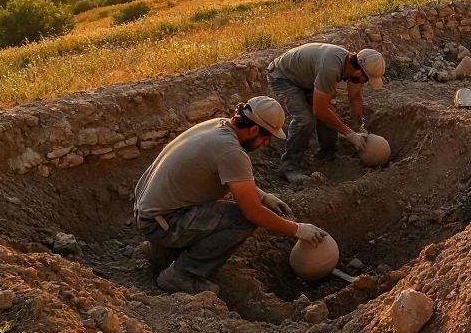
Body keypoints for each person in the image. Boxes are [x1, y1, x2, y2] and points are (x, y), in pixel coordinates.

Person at [133, 96, 329, 295]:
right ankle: (183, 275)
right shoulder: (231, 151)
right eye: (265, 137)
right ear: (253, 130)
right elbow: (253, 213)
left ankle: (162, 254)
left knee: (231, 211)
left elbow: (229, 177)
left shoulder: (219, 125)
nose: (265, 142)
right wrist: (298, 230)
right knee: (243, 219)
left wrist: (263, 196)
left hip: (152, 212)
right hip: (162, 223)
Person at [266, 43, 386, 179]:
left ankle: (328, 154)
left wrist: (359, 128)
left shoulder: (352, 65)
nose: (365, 83)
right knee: (305, 119)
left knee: (329, 112)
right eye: (367, 80)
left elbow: (355, 98)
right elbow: (319, 110)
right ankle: (288, 167)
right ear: (359, 73)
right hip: (283, 77)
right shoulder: (331, 68)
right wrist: (350, 134)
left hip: (306, 78)